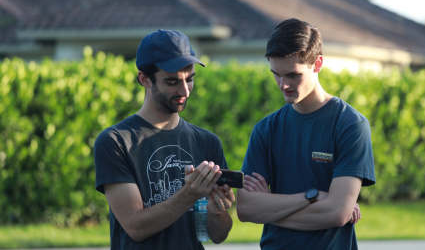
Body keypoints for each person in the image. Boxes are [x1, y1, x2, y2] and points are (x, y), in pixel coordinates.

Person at [237, 18, 376, 249]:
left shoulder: (351, 125)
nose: (283, 84)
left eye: (292, 75)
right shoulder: (265, 130)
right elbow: (246, 208)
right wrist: (312, 196)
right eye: (276, 74)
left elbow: (337, 213)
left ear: (317, 63)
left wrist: (270, 208)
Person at [93, 30, 234, 249]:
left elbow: (215, 236)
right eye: (172, 82)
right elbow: (135, 227)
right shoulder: (116, 141)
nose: (184, 90)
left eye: (190, 79)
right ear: (144, 79)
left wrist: (217, 212)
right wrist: (189, 194)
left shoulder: (207, 142)